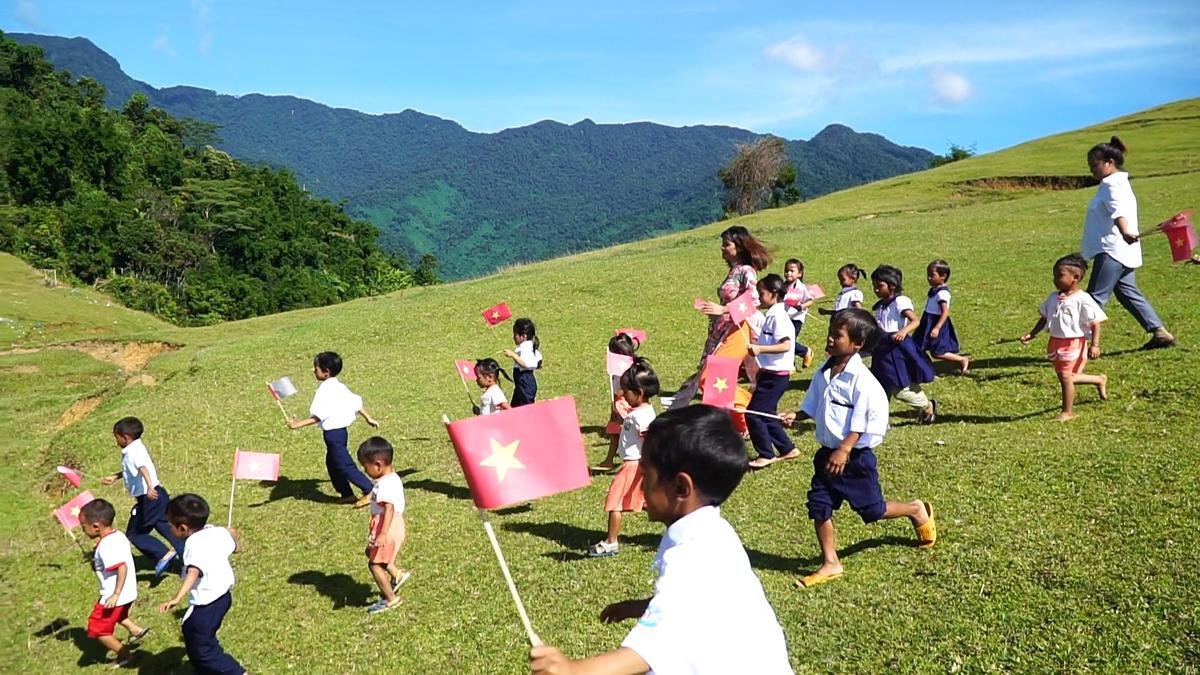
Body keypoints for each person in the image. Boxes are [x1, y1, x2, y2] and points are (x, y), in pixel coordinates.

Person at [531, 405, 792, 675]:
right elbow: (696, 605)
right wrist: (640, 606)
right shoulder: (712, 531)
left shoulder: (692, 554)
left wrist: (573, 670)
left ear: (680, 487)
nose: (640, 484)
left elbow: (655, 648)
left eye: (646, 473)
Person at [781, 309, 937, 588]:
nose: (829, 339)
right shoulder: (824, 371)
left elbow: (865, 419)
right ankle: (831, 563)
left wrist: (845, 449)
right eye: (830, 332)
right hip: (826, 455)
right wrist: (798, 415)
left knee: (872, 510)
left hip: (854, 459)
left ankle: (915, 509)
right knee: (819, 506)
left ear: (857, 344)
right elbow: (814, 403)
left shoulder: (863, 382)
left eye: (837, 335)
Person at [1081, 136, 1175, 350]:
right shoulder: (1120, 183)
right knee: (1127, 292)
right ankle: (1160, 332)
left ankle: (1080, 343)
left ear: (1109, 163)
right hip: (1124, 251)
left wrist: (1124, 231)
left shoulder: (1111, 184)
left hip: (1112, 249)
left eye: (1094, 165)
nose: (1092, 170)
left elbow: (1118, 211)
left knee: (1095, 298)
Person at [159, 493, 244, 675]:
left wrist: (177, 598)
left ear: (182, 528)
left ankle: (235, 672)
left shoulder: (192, 544)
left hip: (207, 602)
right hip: (224, 596)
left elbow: (193, 571)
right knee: (192, 634)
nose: (168, 528)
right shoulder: (218, 531)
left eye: (169, 525)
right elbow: (236, 548)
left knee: (203, 648)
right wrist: (232, 536)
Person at [1020, 254, 1109, 422]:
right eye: (1054, 275)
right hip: (1055, 341)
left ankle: (1067, 412)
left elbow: (1096, 323)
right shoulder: (1053, 297)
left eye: (1059, 275)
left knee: (1067, 377)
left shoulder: (1083, 299)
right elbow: (1044, 318)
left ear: (1075, 278)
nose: (1055, 279)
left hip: (1074, 343)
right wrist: (1032, 334)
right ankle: (1098, 379)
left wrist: (1095, 345)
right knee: (1065, 376)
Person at [287, 351, 380, 508]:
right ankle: (346, 493)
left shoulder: (324, 391)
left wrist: (297, 424)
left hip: (333, 434)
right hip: (341, 433)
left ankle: (369, 490)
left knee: (344, 465)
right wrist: (368, 417)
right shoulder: (339, 386)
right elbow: (356, 402)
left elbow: (319, 415)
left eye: (316, 368)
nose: (313, 371)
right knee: (332, 463)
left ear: (326, 372)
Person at [588, 357, 659, 558]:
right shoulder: (638, 411)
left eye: (626, 391)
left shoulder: (642, 417)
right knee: (648, 502)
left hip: (634, 465)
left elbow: (651, 439)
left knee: (615, 501)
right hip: (635, 464)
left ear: (639, 393)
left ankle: (611, 542)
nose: (623, 394)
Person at [100, 416, 184, 577]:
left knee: (135, 534)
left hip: (149, 498)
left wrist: (150, 486)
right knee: (167, 528)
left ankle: (164, 554)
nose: (115, 441)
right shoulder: (137, 447)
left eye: (116, 437)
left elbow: (143, 468)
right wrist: (116, 477)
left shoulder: (132, 452)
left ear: (125, 437)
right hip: (158, 496)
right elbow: (134, 470)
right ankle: (190, 562)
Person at [80, 498, 149, 669]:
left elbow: (121, 568)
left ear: (96, 526)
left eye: (83, 527)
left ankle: (125, 654)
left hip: (115, 595)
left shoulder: (106, 546)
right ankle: (135, 630)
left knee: (97, 629)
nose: (83, 530)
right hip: (129, 591)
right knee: (118, 616)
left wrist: (115, 594)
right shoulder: (117, 536)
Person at [869, 265, 938, 424]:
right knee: (879, 387)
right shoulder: (880, 305)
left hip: (896, 350)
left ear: (892, 286)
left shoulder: (900, 301)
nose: (876, 290)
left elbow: (915, 320)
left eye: (879, 286)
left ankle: (927, 406)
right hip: (881, 349)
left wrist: (903, 331)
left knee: (900, 388)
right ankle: (880, 422)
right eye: (874, 286)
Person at [746, 274, 799, 469]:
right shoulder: (772, 314)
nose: (759, 297)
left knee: (752, 414)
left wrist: (760, 349)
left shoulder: (779, 317)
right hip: (769, 374)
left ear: (774, 293)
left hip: (777, 377)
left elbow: (785, 345)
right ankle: (787, 448)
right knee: (767, 414)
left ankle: (765, 454)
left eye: (762, 293)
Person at [357, 437, 412, 614]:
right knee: (372, 553)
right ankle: (397, 575)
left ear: (378, 465)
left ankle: (391, 599)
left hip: (386, 527)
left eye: (366, 467)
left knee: (374, 565)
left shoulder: (385, 485)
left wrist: (381, 534)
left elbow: (388, 508)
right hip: (390, 526)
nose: (365, 471)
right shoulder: (392, 478)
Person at [914, 259, 971, 374]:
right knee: (917, 346)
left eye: (932, 275)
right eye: (928, 275)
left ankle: (961, 359)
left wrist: (937, 328)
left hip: (935, 323)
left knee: (937, 352)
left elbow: (945, 312)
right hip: (927, 321)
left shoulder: (942, 293)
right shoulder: (935, 290)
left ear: (943, 276)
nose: (929, 278)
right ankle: (927, 369)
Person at [594, 333, 641, 472]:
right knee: (615, 431)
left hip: (624, 405)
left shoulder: (628, 369)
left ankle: (628, 460)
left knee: (623, 432)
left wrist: (617, 396)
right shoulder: (616, 367)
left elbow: (626, 387)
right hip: (617, 404)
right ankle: (609, 460)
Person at [782, 258, 815, 369]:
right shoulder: (782, 286)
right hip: (784, 317)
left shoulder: (801, 287)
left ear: (799, 273)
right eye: (786, 270)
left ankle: (805, 351)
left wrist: (801, 306)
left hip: (796, 318)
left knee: (789, 341)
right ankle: (791, 364)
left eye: (792, 271)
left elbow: (810, 300)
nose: (788, 273)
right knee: (782, 339)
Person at [504, 318, 543, 406]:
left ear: (524, 336)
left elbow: (526, 364)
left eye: (515, 334)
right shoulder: (527, 347)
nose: (513, 337)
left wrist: (513, 355)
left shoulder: (525, 348)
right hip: (521, 383)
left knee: (526, 407)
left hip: (525, 382)